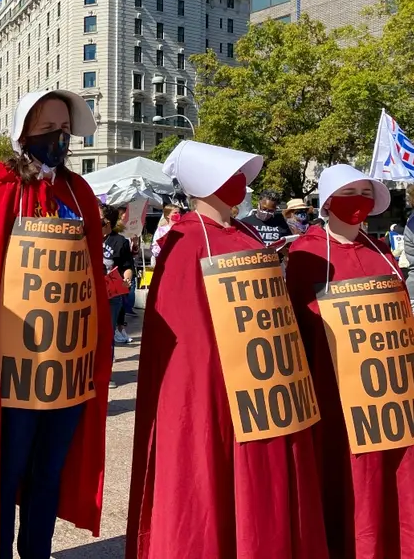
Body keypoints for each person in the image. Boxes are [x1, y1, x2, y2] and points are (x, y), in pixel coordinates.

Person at [127, 140, 328, 559]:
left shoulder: (248, 232)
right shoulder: (184, 241)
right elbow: (185, 337)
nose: (240, 183)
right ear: (208, 181)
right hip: (221, 384)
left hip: (265, 381)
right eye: (230, 175)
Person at [0, 90, 113, 559]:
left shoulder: (78, 192)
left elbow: (88, 273)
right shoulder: (1, 188)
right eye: (48, 129)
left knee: (49, 471)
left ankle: (37, 552)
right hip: (15, 370)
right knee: (9, 472)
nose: (59, 138)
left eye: (65, 129)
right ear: (25, 132)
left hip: (66, 364)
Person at [286, 164, 414, 557]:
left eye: (365, 192)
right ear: (328, 200)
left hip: (387, 395)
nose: (359, 200)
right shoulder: (305, 253)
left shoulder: (382, 253)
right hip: (334, 391)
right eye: (349, 191)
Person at [102, 205, 135, 345]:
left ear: (107, 221)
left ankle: (108, 358)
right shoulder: (87, 237)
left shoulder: (120, 241)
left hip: (111, 294)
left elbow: (127, 267)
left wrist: (127, 279)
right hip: (90, 292)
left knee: (107, 331)